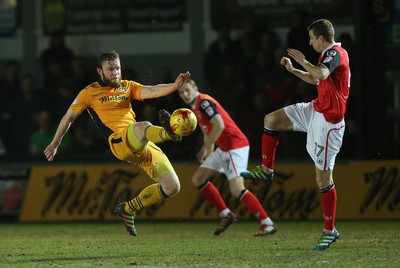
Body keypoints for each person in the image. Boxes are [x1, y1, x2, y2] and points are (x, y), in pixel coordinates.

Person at [44, 50, 191, 236]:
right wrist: (55, 143)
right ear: (100, 71)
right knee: (143, 125)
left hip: (141, 141)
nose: (115, 72)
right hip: (119, 141)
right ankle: (169, 133)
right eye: (110, 69)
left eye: (118, 68)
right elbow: (68, 118)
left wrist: (175, 85)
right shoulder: (89, 93)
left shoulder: (127, 86)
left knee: (172, 186)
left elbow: (152, 90)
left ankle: (128, 209)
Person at [241, 19, 350, 250]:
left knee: (323, 180)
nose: (310, 43)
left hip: (329, 124)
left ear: (322, 38)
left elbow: (320, 73)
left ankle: (329, 231)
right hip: (316, 109)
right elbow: (315, 78)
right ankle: (267, 170)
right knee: (270, 119)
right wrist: (294, 69)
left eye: (312, 38)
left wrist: (303, 60)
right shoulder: (327, 56)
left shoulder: (335, 54)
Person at [178, 79, 276, 236]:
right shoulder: (194, 107)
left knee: (237, 188)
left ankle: (267, 223)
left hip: (235, 146)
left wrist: (204, 148)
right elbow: (208, 132)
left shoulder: (204, 103)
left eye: (187, 90)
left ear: (195, 88)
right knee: (198, 178)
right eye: (182, 92)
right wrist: (209, 154)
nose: (185, 95)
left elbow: (219, 125)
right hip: (223, 148)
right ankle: (225, 214)